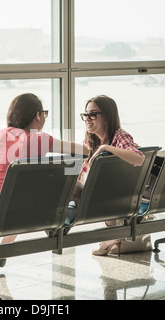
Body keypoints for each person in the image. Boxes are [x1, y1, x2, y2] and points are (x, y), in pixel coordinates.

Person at [0, 93, 88, 267]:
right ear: (38, 115)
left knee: (8, 191)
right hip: (18, 216)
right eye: (45, 113)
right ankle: (62, 218)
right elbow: (83, 150)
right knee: (29, 191)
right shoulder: (39, 140)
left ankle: (2, 248)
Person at [65, 95, 145, 256]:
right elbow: (79, 171)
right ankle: (111, 238)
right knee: (66, 176)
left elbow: (139, 158)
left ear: (107, 116)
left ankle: (111, 238)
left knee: (70, 180)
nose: (87, 119)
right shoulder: (89, 142)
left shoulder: (119, 136)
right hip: (97, 195)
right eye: (85, 115)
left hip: (112, 198)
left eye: (92, 114)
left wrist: (106, 148)